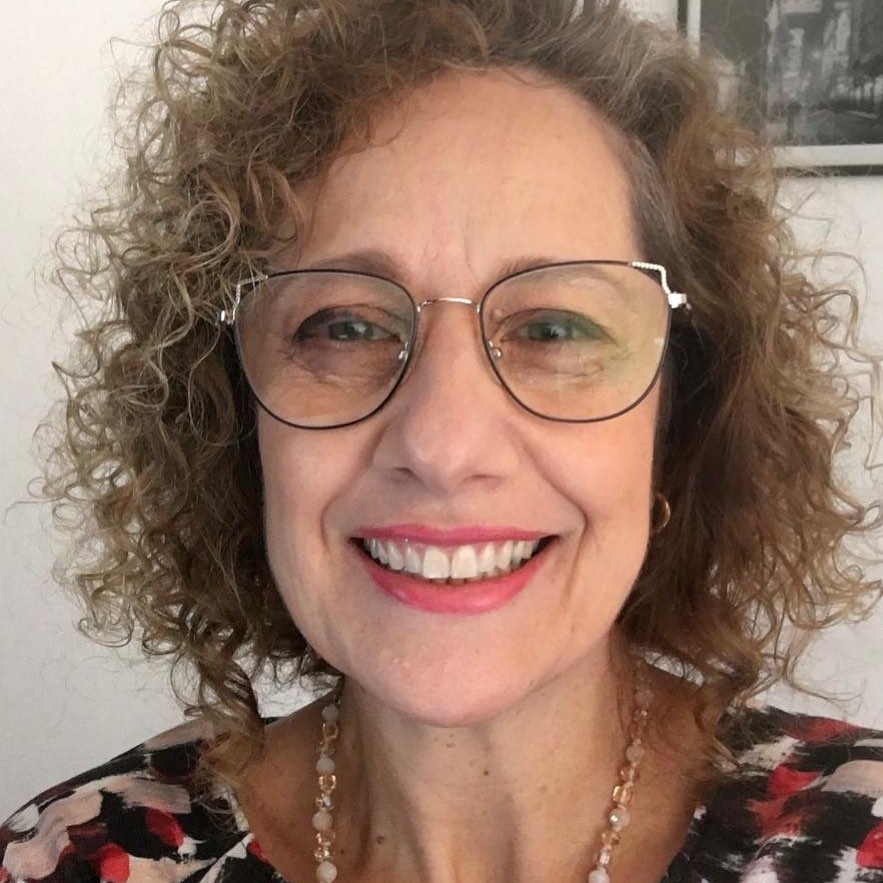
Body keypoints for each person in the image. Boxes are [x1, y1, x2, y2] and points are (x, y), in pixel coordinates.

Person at [2, 0, 882, 881]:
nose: (443, 445)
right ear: (235, 420)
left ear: (674, 420)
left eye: (554, 329)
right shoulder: (72, 860)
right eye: (344, 327)